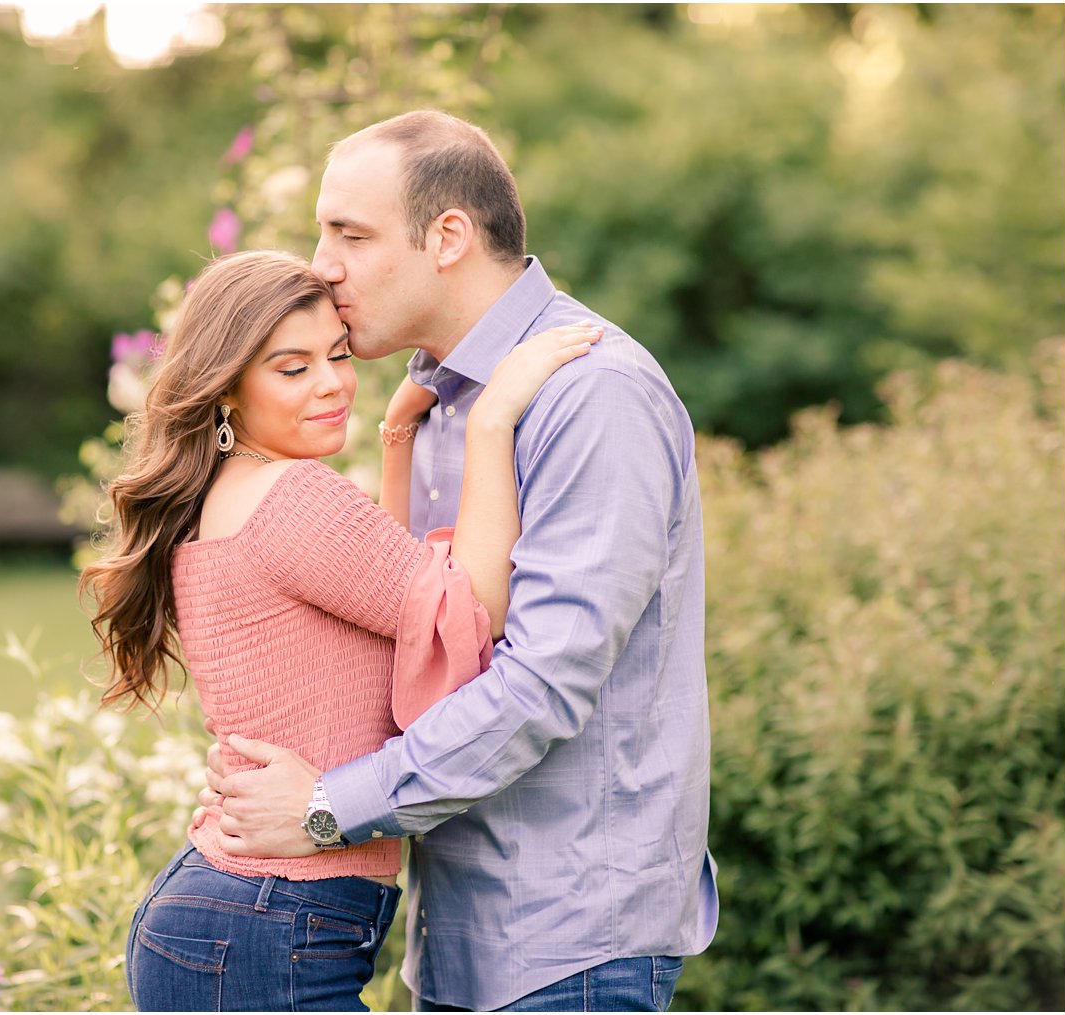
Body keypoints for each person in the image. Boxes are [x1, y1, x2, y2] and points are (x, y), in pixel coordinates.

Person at [200, 110, 719, 1012]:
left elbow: (541, 685)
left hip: (569, 946)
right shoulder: (442, 401)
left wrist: (325, 805)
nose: (322, 263)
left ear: (448, 237)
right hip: (456, 938)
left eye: (350, 235)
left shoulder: (589, 396)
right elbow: (428, 640)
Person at [80, 248, 601, 1011]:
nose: (331, 382)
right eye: (292, 368)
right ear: (225, 390)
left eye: (336, 354)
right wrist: (492, 422)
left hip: (237, 917)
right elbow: (463, 617)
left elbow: (389, 608)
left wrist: (396, 443)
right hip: (269, 923)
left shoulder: (235, 493)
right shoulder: (294, 497)